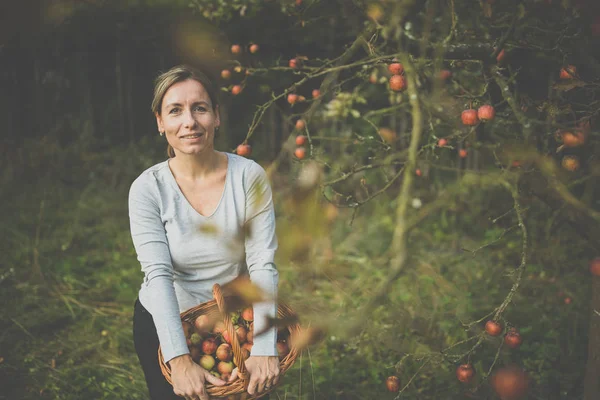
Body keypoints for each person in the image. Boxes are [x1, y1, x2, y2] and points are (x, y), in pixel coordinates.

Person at [129, 64, 280, 400]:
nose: (189, 122)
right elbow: (158, 275)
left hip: (234, 324)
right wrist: (179, 360)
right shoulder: (147, 189)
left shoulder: (248, 177)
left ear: (216, 116)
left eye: (200, 108)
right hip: (166, 323)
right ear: (159, 121)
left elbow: (262, 264)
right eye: (175, 111)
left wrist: (265, 348)